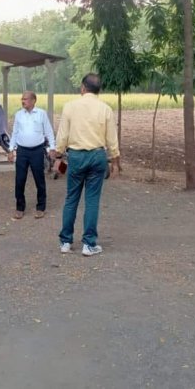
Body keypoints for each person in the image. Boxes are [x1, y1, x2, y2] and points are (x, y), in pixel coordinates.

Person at [55, 73, 120, 257]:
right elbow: (112, 139)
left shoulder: (70, 107)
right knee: (92, 201)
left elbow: (63, 135)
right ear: (99, 90)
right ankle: (89, 244)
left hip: (75, 156)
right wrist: (115, 160)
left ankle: (66, 242)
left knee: (71, 199)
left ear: (83, 88)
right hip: (97, 156)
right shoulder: (105, 109)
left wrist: (58, 155)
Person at [8, 91, 56, 219]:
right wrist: (10, 149)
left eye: (26, 99)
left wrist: (52, 148)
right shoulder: (19, 115)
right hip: (22, 151)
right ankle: (20, 207)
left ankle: (41, 207)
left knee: (39, 179)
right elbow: (15, 133)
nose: (23, 101)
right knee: (19, 179)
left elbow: (49, 132)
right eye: (22, 99)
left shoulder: (41, 114)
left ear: (34, 100)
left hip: (37, 151)